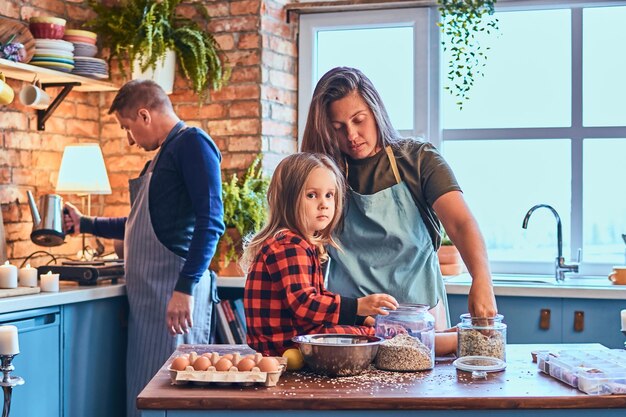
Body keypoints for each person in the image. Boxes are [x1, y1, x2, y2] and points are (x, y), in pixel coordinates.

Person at [63, 79, 224, 417]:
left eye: (128, 128)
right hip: (151, 305)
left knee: (173, 398)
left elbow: (211, 221)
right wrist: (85, 223)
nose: (129, 139)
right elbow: (139, 223)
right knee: (145, 400)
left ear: (144, 115)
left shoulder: (193, 144)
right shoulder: (160, 157)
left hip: (175, 300)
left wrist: (185, 286)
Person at [301, 67, 497, 330]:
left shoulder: (418, 159)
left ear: (376, 111)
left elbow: (460, 223)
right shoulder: (325, 174)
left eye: (359, 120)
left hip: (419, 319)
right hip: (354, 324)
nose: (351, 135)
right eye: (338, 128)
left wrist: (482, 279)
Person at [240, 152, 399, 356]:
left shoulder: (295, 243)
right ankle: (447, 342)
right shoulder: (289, 244)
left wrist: (358, 316)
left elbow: (317, 298)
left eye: (329, 195)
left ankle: (445, 339)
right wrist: (358, 306)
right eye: (312, 195)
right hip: (289, 343)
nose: (324, 203)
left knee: (370, 331)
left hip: (291, 339)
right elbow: (304, 303)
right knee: (375, 336)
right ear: (287, 199)